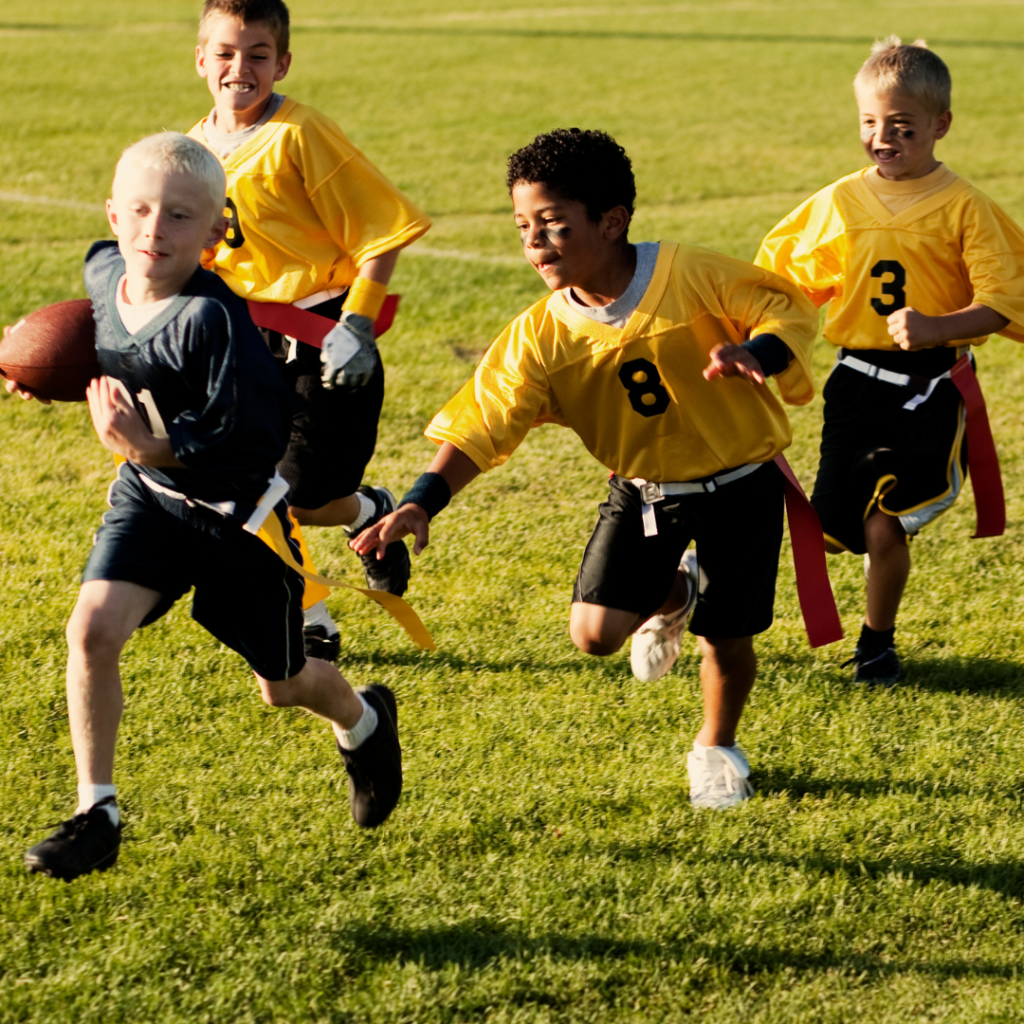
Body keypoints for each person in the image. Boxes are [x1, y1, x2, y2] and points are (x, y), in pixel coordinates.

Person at [353, 128, 818, 810]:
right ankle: (671, 595)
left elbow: (784, 305)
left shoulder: (690, 275)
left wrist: (762, 353)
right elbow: (484, 419)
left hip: (741, 484)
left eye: (553, 226)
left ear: (612, 220)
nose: (535, 245)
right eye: (523, 228)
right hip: (645, 490)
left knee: (728, 635)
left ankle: (717, 747)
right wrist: (423, 500)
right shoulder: (540, 335)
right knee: (594, 635)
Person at [24, 133, 402, 882]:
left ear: (216, 231)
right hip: (153, 501)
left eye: (178, 216)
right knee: (92, 630)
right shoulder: (105, 271)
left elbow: (253, 443)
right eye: (137, 211)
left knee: (284, 686)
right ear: (111, 213)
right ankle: (96, 810)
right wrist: (39, 371)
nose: (152, 230)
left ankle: (365, 722)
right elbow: (97, 343)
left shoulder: (217, 319)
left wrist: (153, 447)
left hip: (241, 520)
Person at [756, 37, 1024, 685]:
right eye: (870, 123)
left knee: (886, 521)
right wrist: (750, 342)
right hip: (854, 386)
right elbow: (781, 286)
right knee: (827, 526)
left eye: (902, 127)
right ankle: (704, 574)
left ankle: (878, 643)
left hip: (933, 388)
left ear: (941, 126)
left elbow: (1003, 300)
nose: (883, 138)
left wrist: (941, 325)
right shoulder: (840, 202)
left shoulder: (967, 208)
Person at [188, 0, 432, 662]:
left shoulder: (300, 134)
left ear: (282, 62)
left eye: (258, 55)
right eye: (227, 53)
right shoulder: (194, 146)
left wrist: (357, 320)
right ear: (201, 60)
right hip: (245, 341)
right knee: (247, 492)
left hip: (324, 338)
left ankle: (367, 510)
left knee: (299, 496)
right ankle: (312, 620)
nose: (241, 68)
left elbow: (384, 228)